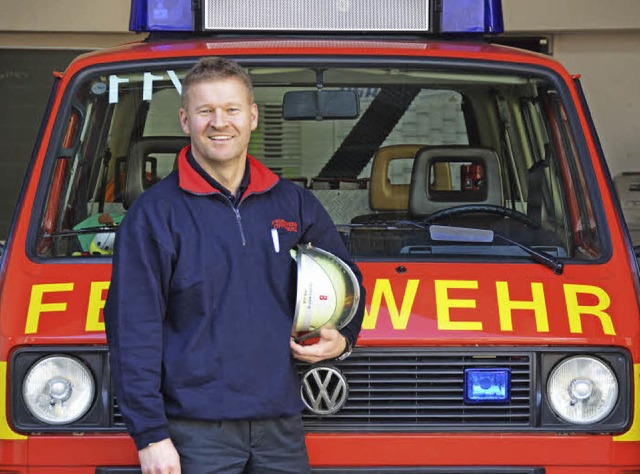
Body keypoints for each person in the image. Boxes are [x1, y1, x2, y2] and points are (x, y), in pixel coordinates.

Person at [104, 56, 365, 474]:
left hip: (280, 427)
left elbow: (346, 283)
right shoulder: (154, 217)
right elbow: (132, 328)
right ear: (185, 120)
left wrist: (344, 337)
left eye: (231, 110)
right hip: (195, 432)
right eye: (206, 111)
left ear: (253, 117)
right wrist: (150, 434)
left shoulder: (292, 203)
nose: (219, 122)